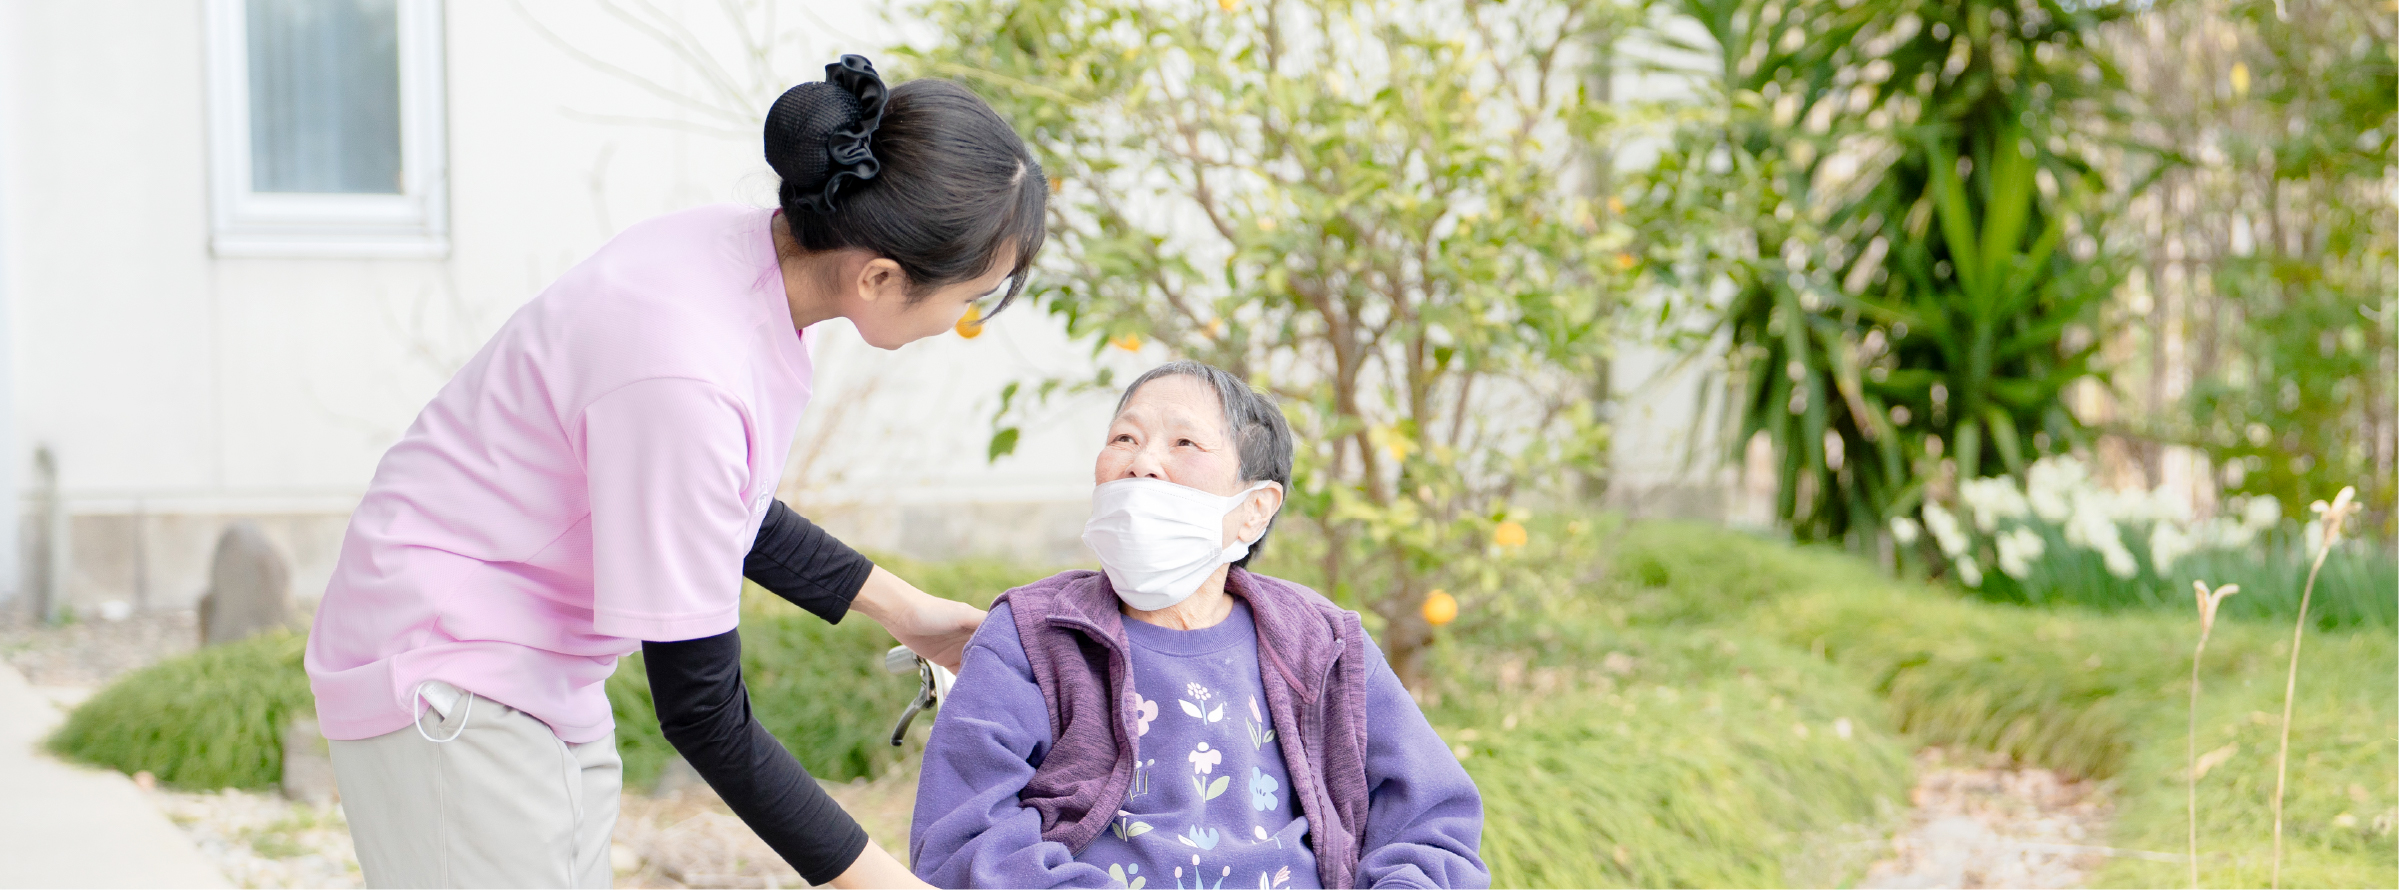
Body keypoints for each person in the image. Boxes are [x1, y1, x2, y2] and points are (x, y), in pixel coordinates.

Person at [304, 55, 1045, 888]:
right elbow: (703, 714)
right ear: (879, 276)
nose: (960, 322)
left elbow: (708, 502)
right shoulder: (683, 368)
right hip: (448, 667)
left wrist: (903, 611)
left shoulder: (733, 255)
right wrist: (883, 881)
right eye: (968, 298)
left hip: (531, 665)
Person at [909, 362, 1489, 889]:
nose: (1142, 462)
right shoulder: (1033, 634)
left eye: (1183, 442)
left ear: (1255, 508)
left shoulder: (1323, 642)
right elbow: (963, 835)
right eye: (1124, 439)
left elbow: (1433, 821)